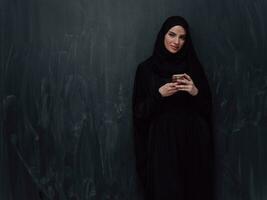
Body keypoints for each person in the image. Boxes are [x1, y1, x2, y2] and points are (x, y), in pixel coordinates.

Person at [132, 16, 214, 200]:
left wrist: (194, 91)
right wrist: (159, 94)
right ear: (163, 35)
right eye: (172, 34)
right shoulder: (146, 70)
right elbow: (139, 113)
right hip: (162, 149)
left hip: (193, 146)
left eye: (182, 37)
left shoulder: (193, 67)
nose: (176, 42)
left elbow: (207, 109)